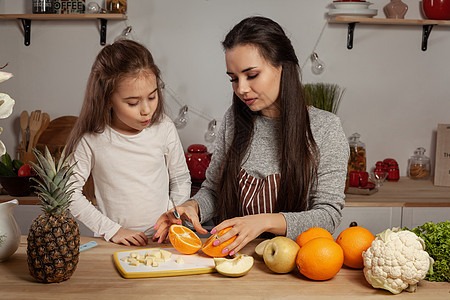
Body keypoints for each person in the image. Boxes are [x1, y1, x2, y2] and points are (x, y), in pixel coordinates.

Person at [154, 16, 349, 255]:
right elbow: (214, 191)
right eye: (234, 79)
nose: (241, 89)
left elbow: (328, 215)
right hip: (228, 256)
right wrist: (192, 207)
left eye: (252, 75)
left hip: (293, 262)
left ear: (282, 67)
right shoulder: (233, 119)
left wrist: (264, 221)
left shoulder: (325, 129)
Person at [66, 39, 190, 246]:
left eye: (152, 97)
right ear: (106, 99)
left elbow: (180, 178)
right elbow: (69, 192)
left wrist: (173, 215)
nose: (146, 110)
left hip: (163, 240)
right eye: (133, 103)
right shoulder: (91, 138)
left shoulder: (164, 127)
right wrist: (113, 230)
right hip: (114, 242)